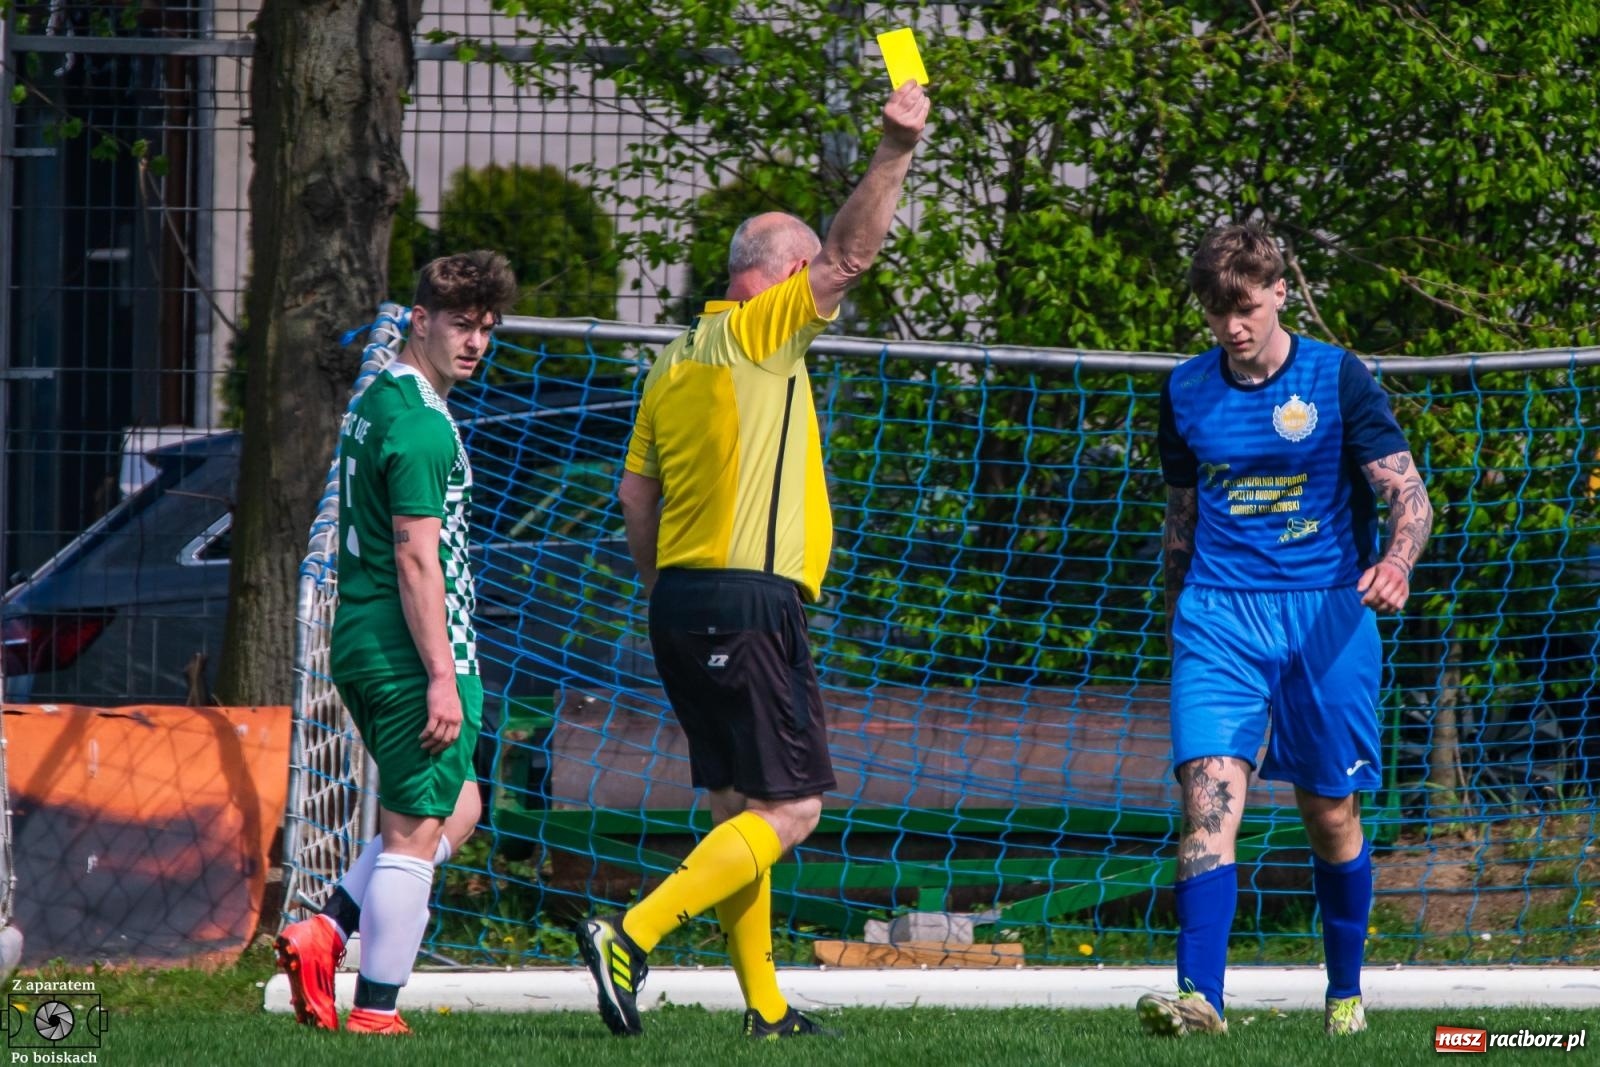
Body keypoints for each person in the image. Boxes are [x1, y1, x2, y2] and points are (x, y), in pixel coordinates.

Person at [577, 80, 930, 1040]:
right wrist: (895, 149)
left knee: (739, 803)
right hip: (748, 602)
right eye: (808, 277)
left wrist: (663, 586)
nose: (822, 296)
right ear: (782, 276)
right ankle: (631, 933)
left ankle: (765, 1005)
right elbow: (853, 254)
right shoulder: (759, 333)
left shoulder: (674, 356)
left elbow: (634, 498)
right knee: (795, 807)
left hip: (678, 600)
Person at [1140, 223, 1433, 1039]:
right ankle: (1200, 999)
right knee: (1206, 803)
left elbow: (1409, 494)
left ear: (1278, 292)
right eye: (1215, 311)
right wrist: (1177, 616)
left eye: (1244, 308)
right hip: (1219, 615)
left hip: (1326, 614)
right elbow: (1181, 517)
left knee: (1330, 812)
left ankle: (1345, 993)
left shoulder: (1336, 377)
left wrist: (1397, 561)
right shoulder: (1184, 391)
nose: (1232, 326)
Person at [275, 251, 518, 1035]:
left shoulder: (382, 394)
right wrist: (442, 674)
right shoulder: (419, 424)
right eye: (461, 324)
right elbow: (417, 557)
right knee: (413, 838)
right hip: (412, 652)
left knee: (461, 804)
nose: (475, 342)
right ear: (420, 319)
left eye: (487, 328)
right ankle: (377, 1012)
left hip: (365, 637)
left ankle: (329, 925)